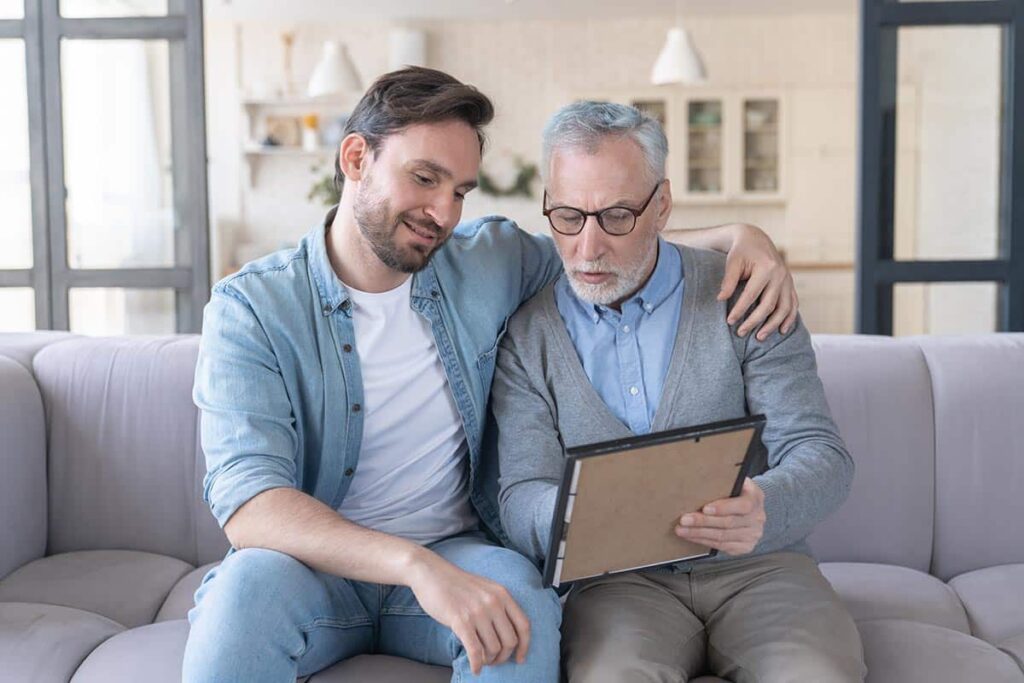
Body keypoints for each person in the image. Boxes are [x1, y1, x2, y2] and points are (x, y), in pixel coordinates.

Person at [183, 68, 799, 682]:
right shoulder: (252, 308)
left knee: (520, 605)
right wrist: (415, 567)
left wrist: (741, 236)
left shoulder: (485, 262)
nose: (443, 213)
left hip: (459, 549)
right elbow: (249, 502)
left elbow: (601, 241)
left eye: (461, 191)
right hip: (310, 571)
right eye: (425, 178)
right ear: (355, 158)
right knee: (242, 594)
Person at [493, 100, 866, 683]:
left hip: (762, 568)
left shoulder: (747, 294)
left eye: (617, 215)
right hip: (618, 586)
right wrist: (578, 514)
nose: (587, 248)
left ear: (662, 205)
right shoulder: (527, 334)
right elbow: (519, 495)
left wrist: (764, 507)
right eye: (567, 216)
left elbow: (823, 454)